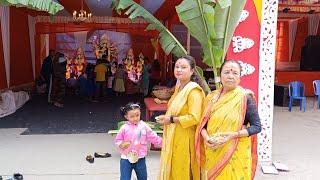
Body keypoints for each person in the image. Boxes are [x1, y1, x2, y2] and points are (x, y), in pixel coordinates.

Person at [195, 60, 262, 180]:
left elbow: (257, 127)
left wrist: (232, 135)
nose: (230, 76)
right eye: (226, 72)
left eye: (235, 73)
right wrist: (207, 138)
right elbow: (202, 125)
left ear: (240, 77)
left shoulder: (245, 98)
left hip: (235, 152)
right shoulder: (211, 98)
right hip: (213, 149)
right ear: (220, 76)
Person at [156, 55, 207, 180]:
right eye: (177, 66)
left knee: (183, 169)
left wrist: (171, 119)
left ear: (192, 71)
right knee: (174, 168)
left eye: (183, 67)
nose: (179, 70)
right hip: (174, 136)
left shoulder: (194, 91)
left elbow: (194, 117)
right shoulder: (179, 88)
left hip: (186, 138)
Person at [115, 102, 162, 180]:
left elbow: (152, 136)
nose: (135, 118)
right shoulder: (124, 128)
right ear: (126, 117)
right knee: (124, 178)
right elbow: (118, 140)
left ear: (140, 113)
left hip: (140, 157)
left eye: (137, 115)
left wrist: (164, 143)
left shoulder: (144, 126)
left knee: (143, 177)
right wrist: (121, 144)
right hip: (126, 158)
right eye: (132, 116)